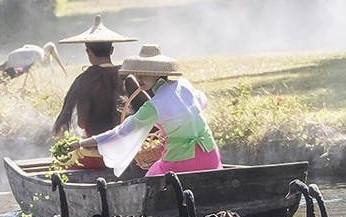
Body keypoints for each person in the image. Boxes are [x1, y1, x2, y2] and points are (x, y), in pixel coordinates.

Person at [69, 43, 221, 177]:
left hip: (180, 161)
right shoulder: (184, 84)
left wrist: (82, 143)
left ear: (157, 72)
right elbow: (201, 102)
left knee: (151, 179)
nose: (138, 78)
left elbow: (122, 132)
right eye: (137, 73)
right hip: (211, 155)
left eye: (144, 73)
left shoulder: (154, 105)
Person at [53, 15, 138, 170]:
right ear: (112, 50)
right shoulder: (128, 77)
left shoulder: (84, 80)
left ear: (88, 52)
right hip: (127, 151)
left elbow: (82, 123)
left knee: (63, 165)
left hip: (97, 155)